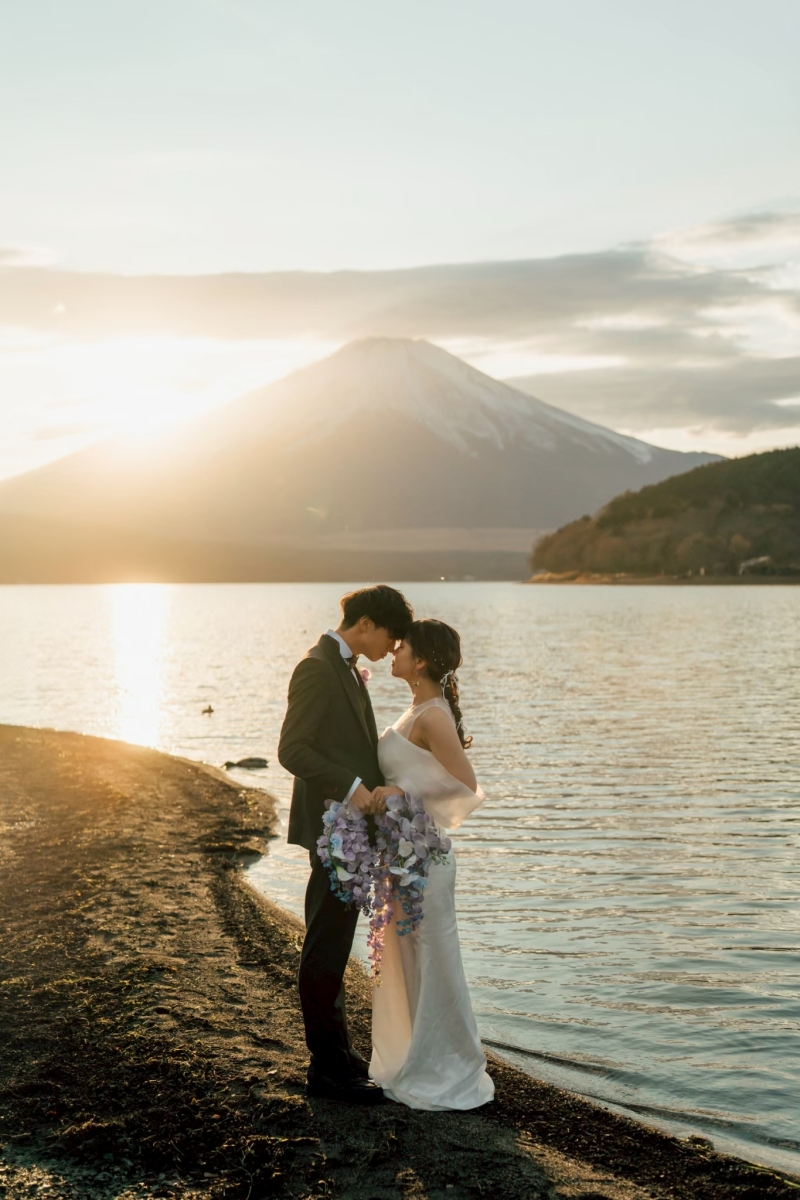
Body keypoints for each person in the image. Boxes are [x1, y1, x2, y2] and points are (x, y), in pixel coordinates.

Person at [278, 584, 414, 1105]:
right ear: (365, 624)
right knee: (326, 944)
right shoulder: (316, 667)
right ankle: (327, 1070)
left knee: (334, 940)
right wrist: (355, 789)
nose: (391, 646)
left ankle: (340, 1057)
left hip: (348, 829)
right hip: (332, 825)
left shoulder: (346, 665)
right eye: (390, 635)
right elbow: (292, 749)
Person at [368, 618, 494, 1110]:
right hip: (402, 854)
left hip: (427, 858)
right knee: (406, 961)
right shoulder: (416, 709)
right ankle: (413, 1057)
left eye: (400, 648)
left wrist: (401, 792)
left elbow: (465, 785)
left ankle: (451, 1067)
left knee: (436, 961)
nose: (393, 653)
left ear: (419, 661)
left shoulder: (433, 716)